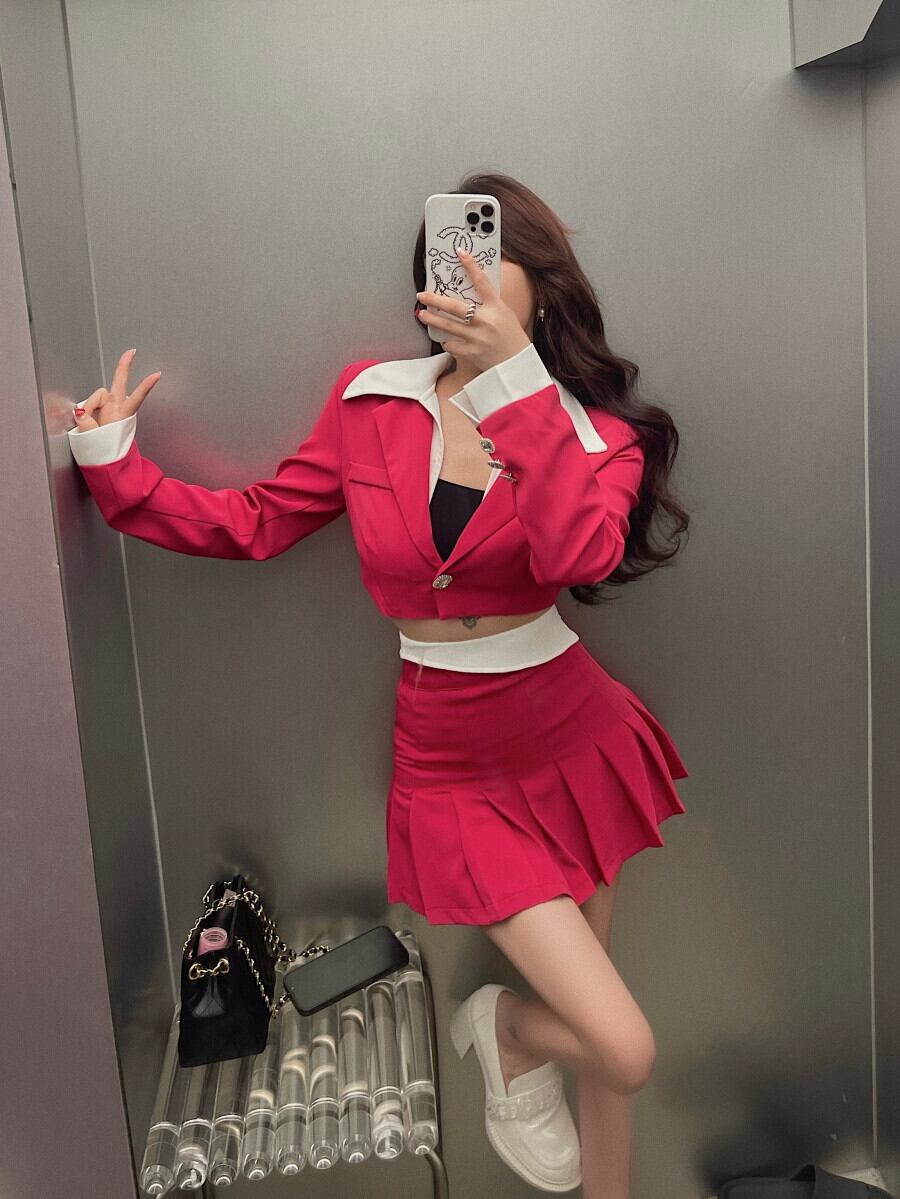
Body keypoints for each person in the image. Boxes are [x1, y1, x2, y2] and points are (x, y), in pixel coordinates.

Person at [68, 171, 691, 1199]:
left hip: (576, 736)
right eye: (452, 258)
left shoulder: (593, 435)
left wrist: (518, 388)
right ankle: (505, 1029)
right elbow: (260, 520)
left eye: (493, 259)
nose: (467, 278)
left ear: (543, 290)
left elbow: (578, 554)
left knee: (602, 1036)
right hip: (453, 759)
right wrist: (113, 464)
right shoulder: (373, 403)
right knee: (621, 1042)